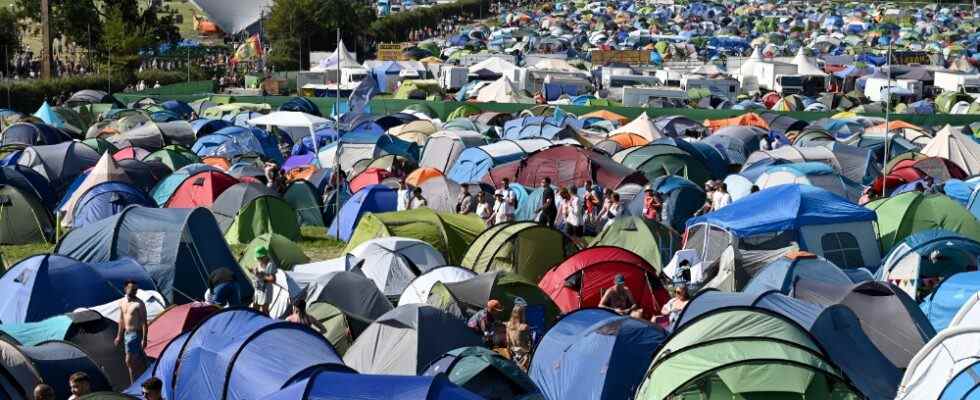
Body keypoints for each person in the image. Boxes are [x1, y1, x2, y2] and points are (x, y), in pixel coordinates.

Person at [116, 280, 147, 382]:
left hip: (135, 334)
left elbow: (144, 322)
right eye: (132, 289)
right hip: (127, 334)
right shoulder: (122, 302)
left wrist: (144, 339)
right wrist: (119, 336)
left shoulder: (139, 304)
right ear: (125, 289)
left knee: (130, 361)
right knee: (133, 362)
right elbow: (121, 320)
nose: (134, 291)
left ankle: (135, 383)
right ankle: (136, 381)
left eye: (136, 289)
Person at [506, 304, 532, 371]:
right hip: (524, 356)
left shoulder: (508, 325)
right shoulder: (524, 327)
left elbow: (508, 343)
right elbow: (530, 344)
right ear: (522, 314)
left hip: (514, 355)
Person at [251, 246, 278, 314]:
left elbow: (273, 279)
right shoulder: (259, 262)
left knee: (264, 310)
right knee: (255, 308)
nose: (258, 259)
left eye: (260, 258)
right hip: (258, 289)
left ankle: (268, 323)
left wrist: (261, 276)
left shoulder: (270, 264)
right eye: (258, 258)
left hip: (266, 290)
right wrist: (254, 272)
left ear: (264, 256)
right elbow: (257, 272)